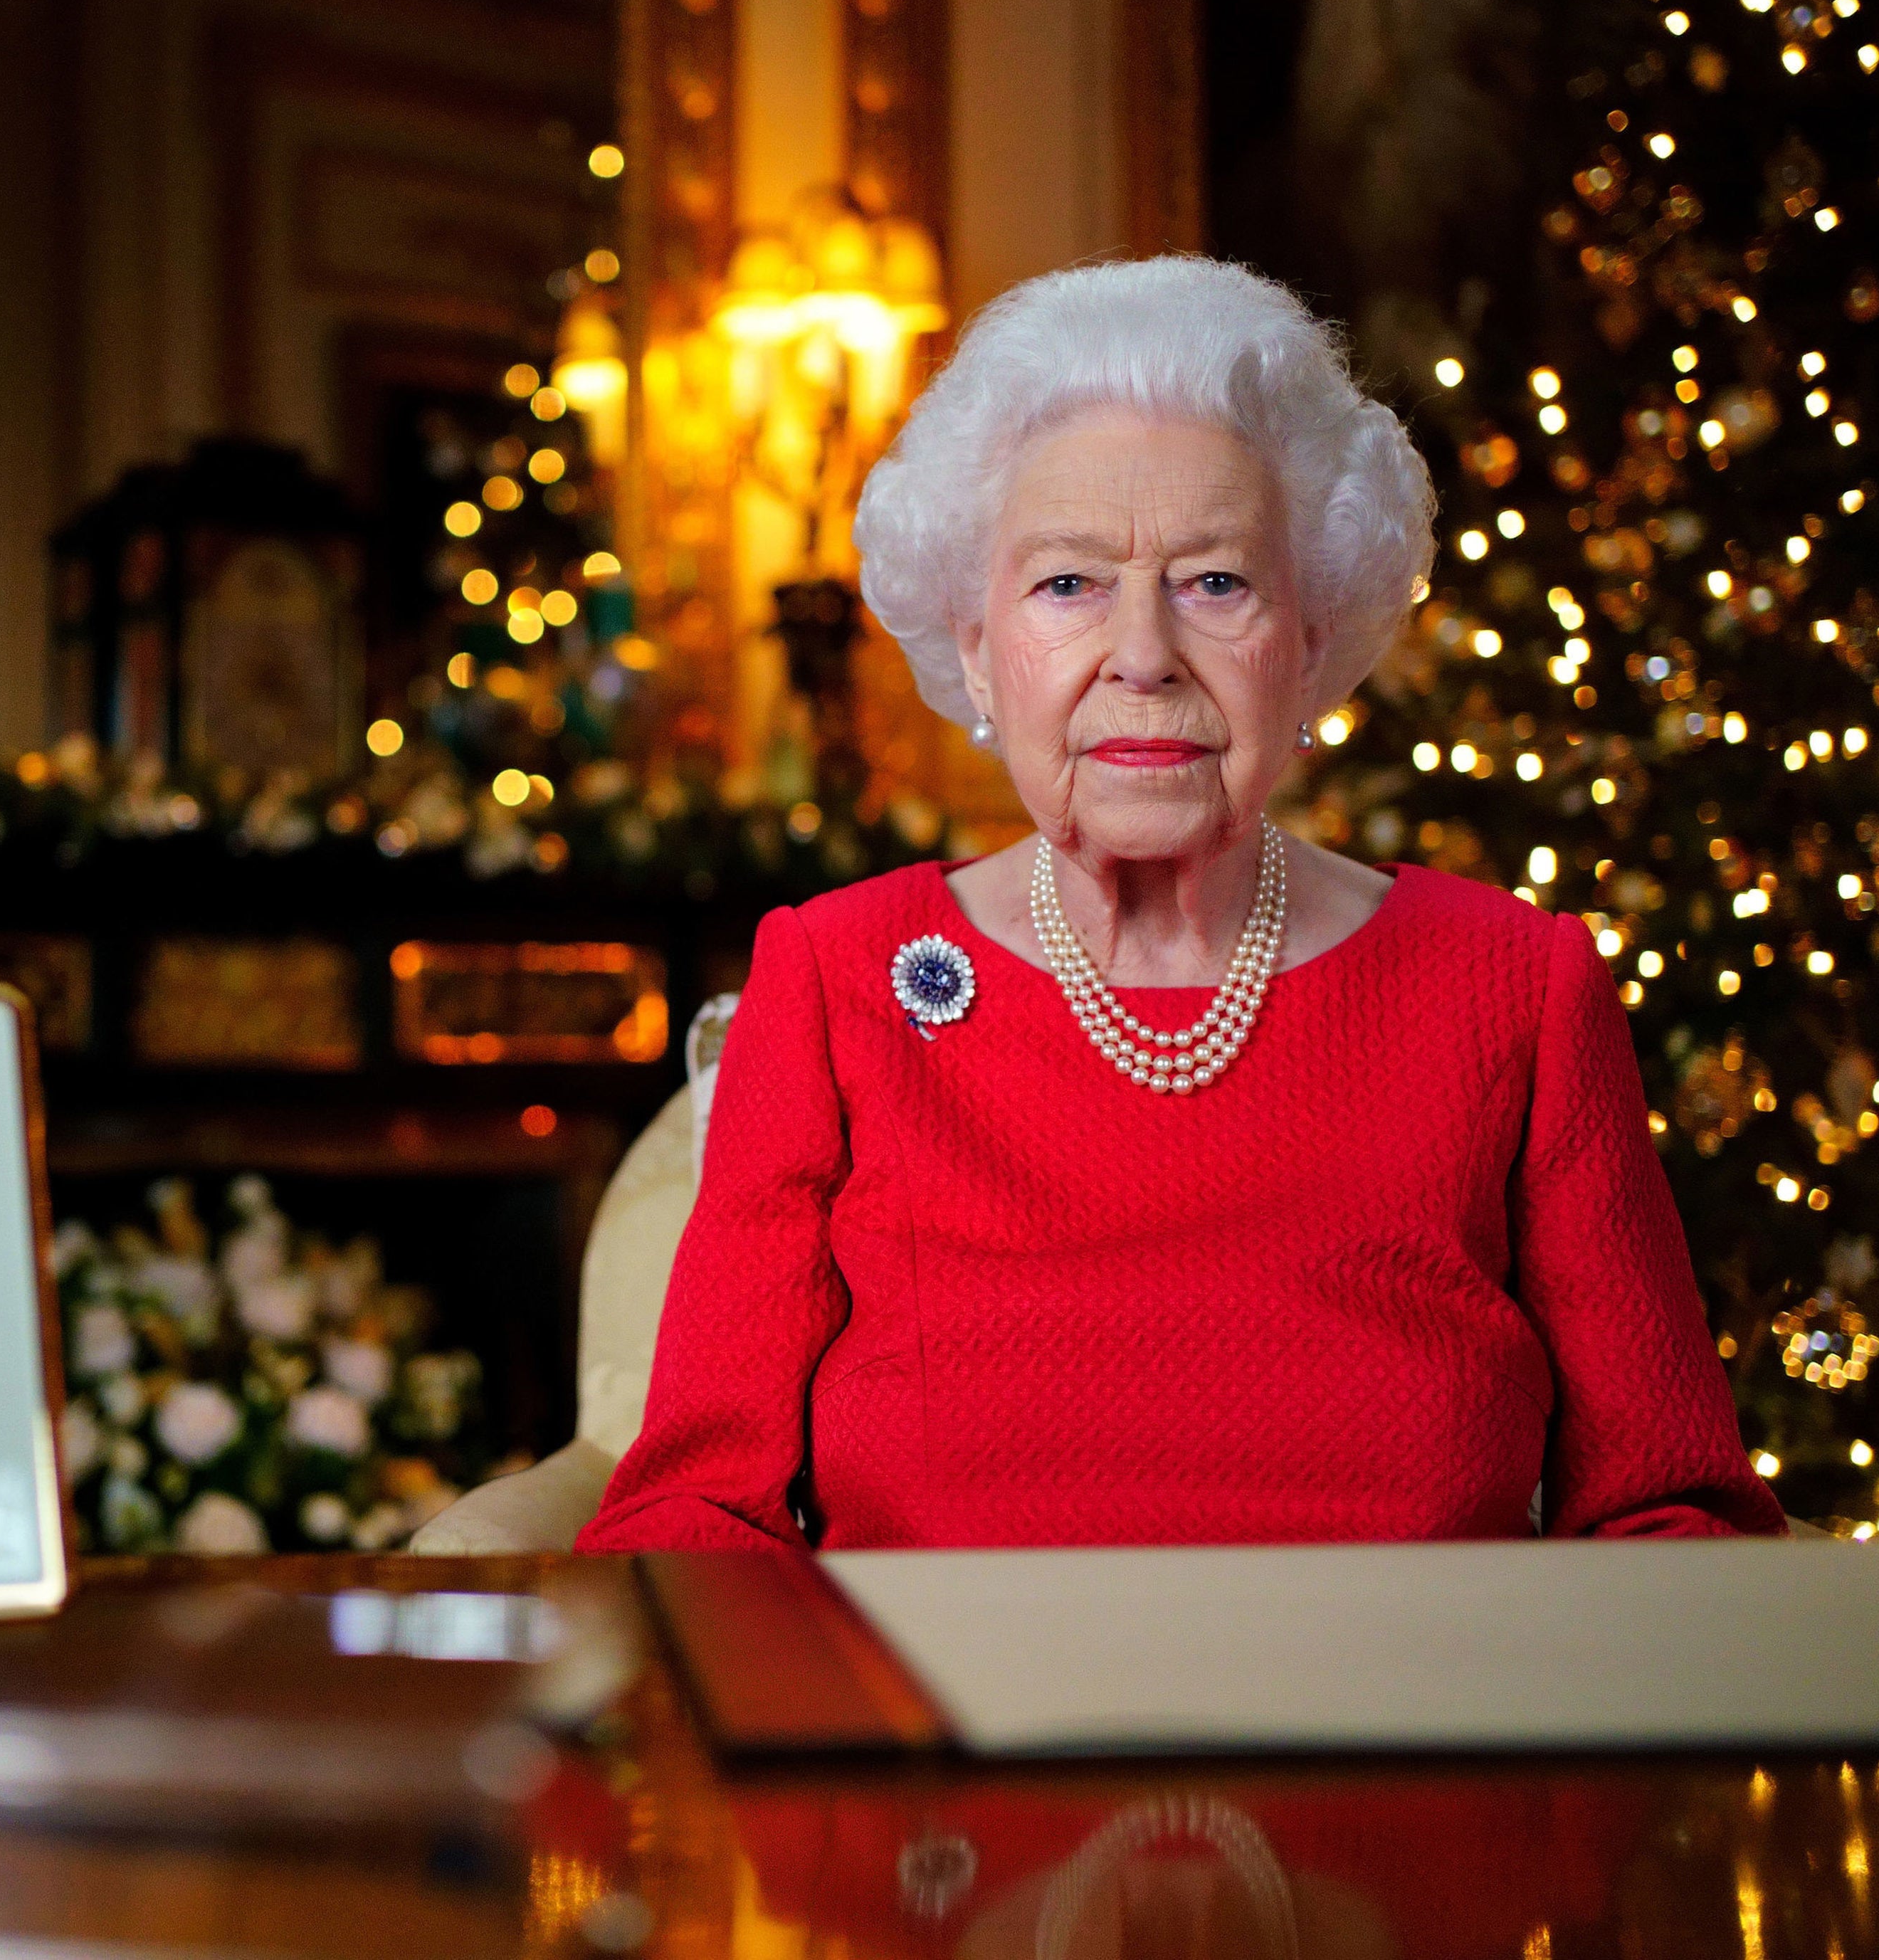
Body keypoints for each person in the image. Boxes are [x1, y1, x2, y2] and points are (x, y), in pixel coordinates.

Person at [579, 256, 1786, 1554]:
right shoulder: (836, 976)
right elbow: (695, 1514)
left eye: (1216, 582)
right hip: (945, 1737)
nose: (1144, 653)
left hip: (1403, 1735)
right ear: (977, 645)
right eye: (1066, 584)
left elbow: (1670, 1508)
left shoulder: (1508, 983)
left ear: (1311, 639)